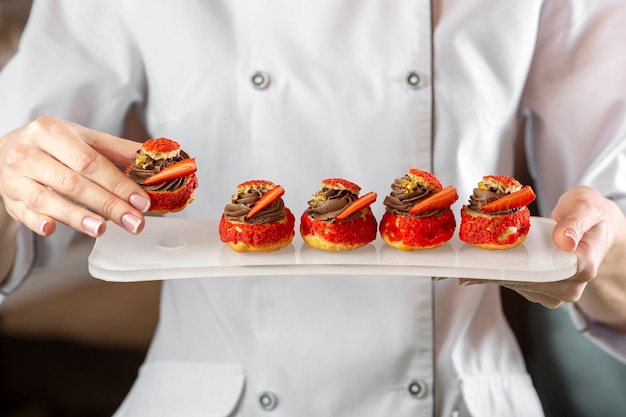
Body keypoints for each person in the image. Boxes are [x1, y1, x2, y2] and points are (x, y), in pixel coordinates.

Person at [1, 1, 625, 416]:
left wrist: (596, 247)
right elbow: (19, 216)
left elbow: (611, 229)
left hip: (458, 397)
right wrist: (12, 179)